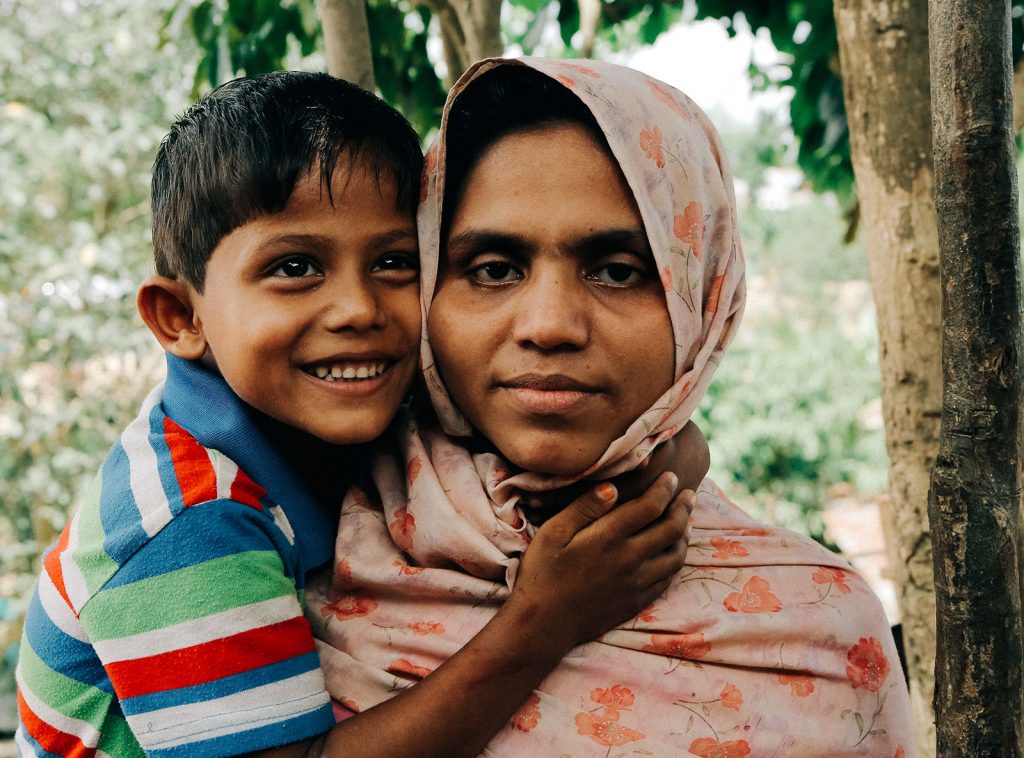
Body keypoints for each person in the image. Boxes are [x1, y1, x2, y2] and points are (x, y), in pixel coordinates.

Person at [14, 70, 706, 758]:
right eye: (294, 268)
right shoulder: (189, 521)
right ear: (181, 317)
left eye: (394, 261)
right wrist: (542, 621)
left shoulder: (335, 406)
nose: (360, 310)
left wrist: (661, 470)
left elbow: (679, 446)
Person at [309, 58, 916, 756]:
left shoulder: (818, 634)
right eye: (493, 269)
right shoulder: (292, 530)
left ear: (702, 303)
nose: (549, 324)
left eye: (618, 272)